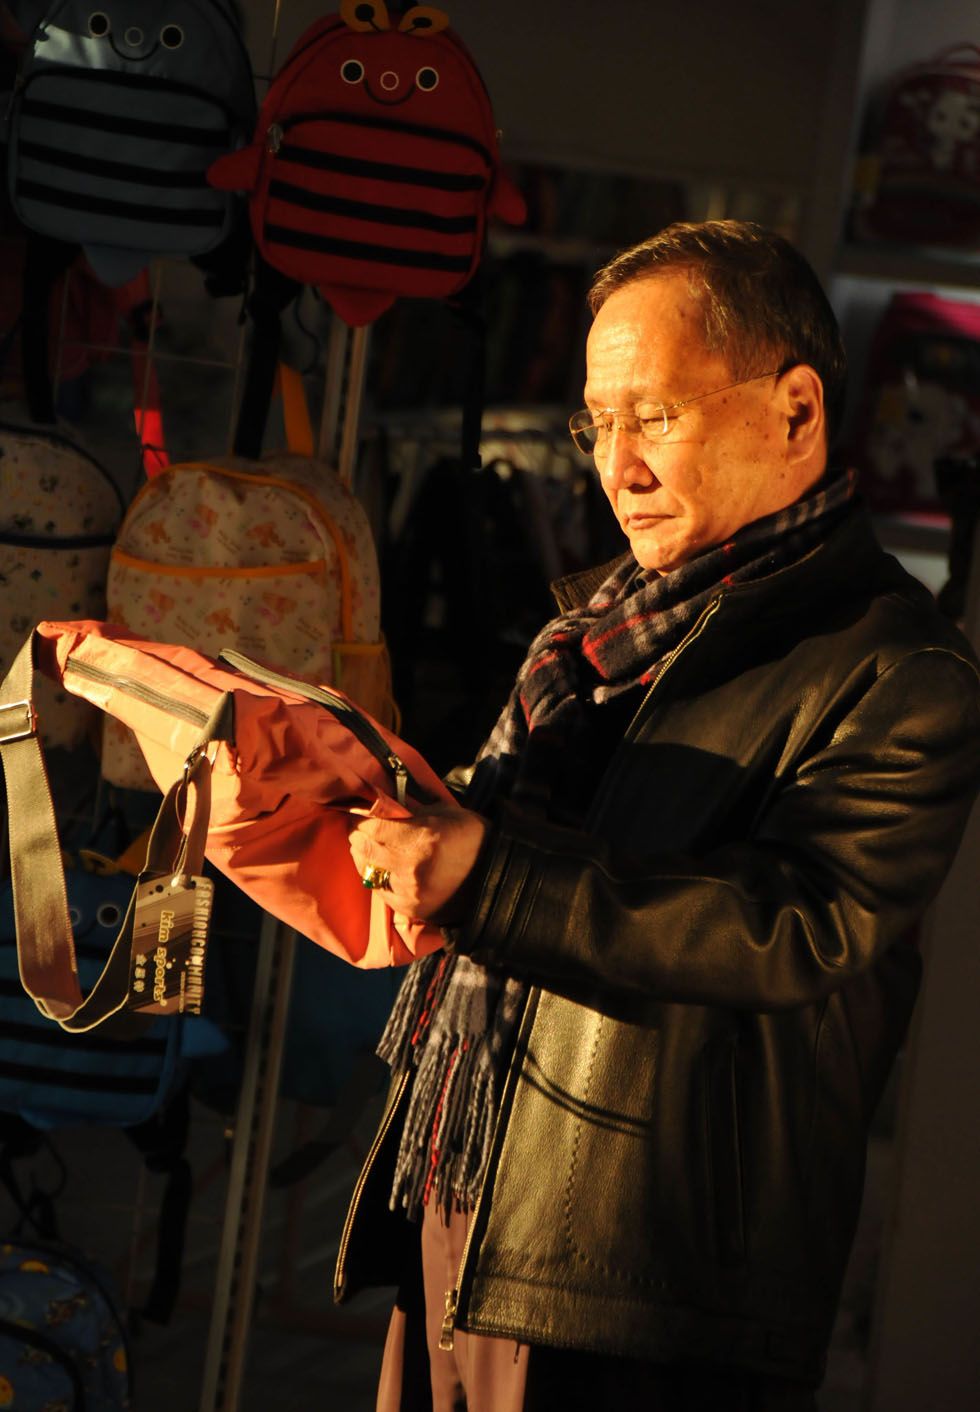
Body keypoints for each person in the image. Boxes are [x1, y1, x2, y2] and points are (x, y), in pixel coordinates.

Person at [341, 219, 980, 1412]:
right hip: (466, 1195)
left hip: (637, 1282)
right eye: (597, 423)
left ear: (795, 411)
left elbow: (794, 926)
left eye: (655, 417)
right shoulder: (594, 634)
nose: (613, 465)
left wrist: (488, 877)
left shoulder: (899, 667)